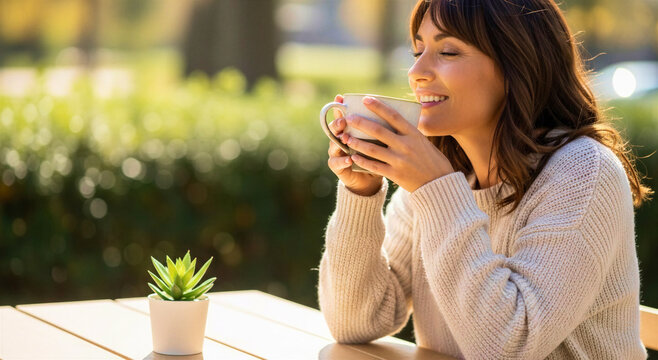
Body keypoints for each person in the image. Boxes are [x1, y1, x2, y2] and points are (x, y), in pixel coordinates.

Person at [318, 0, 653, 358]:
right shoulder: (439, 174)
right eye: (418, 50)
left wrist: (435, 189)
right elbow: (356, 323)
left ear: (516, 64)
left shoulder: (582, 172)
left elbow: (509, 347)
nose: (416, 71)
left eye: (447, 51)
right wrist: (361, 193)